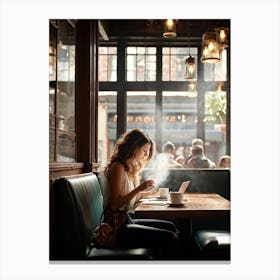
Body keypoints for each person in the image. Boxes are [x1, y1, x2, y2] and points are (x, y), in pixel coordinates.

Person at [103, 128, 180, 259]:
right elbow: (115, 205)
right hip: (117, 228)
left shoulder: (128, 168)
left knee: (172, 227)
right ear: (133, 147)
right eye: (144, 150)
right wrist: (139, 188)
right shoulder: (117, 167)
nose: (146, 155)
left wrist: (147, 194)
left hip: (126, 220)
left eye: (148, 151)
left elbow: (129, 198)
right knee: (172, 237)